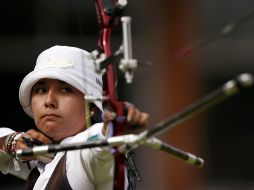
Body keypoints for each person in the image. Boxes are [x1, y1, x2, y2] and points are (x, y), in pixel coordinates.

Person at [0, 45, 149, 190]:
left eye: (65, 90)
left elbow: (97, 145)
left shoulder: (81, 154)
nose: (49, 100)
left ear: (91, 105)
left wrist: (113, 129)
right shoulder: (42, 160)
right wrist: (12, 141)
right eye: (42, 90)